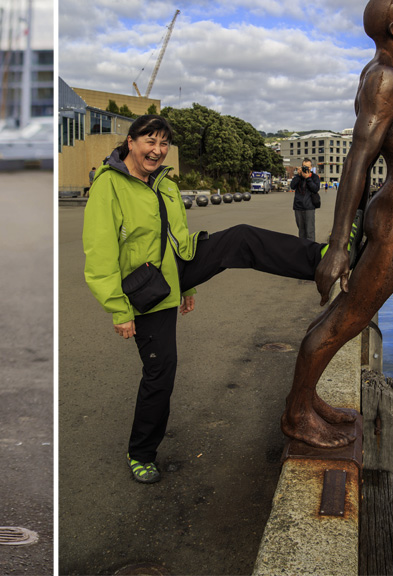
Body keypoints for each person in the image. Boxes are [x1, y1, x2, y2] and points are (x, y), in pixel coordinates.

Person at [83, 115, 327, 482]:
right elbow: (100, 255)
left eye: (164, 144)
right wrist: (119, 311)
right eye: (150, 141)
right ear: (130, 142)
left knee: (241, 238)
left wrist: (188, 285)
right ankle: (142, 453)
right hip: (144, 291)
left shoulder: (162, 183)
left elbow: (176, 238)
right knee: (160, 373)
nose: (157, 150)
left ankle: (320, 259)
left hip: (174, 275)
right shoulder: (109, 186)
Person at [286, 0, 393, 448]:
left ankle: (307, 401)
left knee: (345, 316)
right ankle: (296, 415)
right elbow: (358, 158)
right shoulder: (386, 80)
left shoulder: (387, 76)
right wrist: (338, 247)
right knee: (348, 318)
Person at [291, 159, 321, 241]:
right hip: (298, 207)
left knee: (310, 232)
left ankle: (311, 251)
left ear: (311, 167)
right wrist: (298, 175)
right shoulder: (298, 177)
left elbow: (315, 189)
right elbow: (292, 186)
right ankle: (303, 250)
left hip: (309, 207)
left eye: (308, 167)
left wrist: (308, 178)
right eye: (304, 167)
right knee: (301, 232)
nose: (306, 169)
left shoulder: (314, 177)